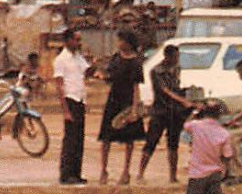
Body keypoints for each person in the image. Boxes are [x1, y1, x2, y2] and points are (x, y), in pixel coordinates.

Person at [97, 29, 146, 185]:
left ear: (128, 43)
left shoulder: (136, 62)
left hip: (127, 101)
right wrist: (102, 75)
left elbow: (136, 87)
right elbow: (109, 77)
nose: (118, 43)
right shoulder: (116, 58)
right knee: (106, 137)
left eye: (121, 40)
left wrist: (134, 109)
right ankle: (103, 170)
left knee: (129, 138)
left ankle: (126, 171)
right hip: (113, 100)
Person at [182, 100, 233, 194]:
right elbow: (227, 156)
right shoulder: (224, 133)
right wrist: (226, 172)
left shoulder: (196, 126)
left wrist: (195, 112)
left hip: (197, 174)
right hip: (215, 174)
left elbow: (186, 125)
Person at [137, 44, 190, 184]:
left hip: (174, 111)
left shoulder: (176, 69)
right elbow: (164, 90)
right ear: (168, 57)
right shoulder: (156, 71)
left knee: (173, 144)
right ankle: (140, 173)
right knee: (151, 141)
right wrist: (183, 100)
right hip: (160, 110)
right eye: (175, 57)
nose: (177, 60)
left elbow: (176, 87)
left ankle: (173, 176)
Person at [53, 31, 92, 185]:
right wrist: (66, 110)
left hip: (80, 99)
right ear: (68, 41)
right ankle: (66, 173)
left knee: (79, 138)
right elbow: (59, 85)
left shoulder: (78, 58)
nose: (78, 43)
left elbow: (87, 71)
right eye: (76, 40)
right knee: (70, 139)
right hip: (70, 99)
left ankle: (76, 172)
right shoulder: (61, 60)